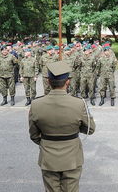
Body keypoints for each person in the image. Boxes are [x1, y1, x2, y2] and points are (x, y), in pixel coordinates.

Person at [29, 61, 95, 192]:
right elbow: (90, 129)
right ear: (67, 82)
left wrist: (47, 142)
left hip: (48, 156)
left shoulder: (36, 104)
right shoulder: (78, 103)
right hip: (72, 156)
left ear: (48, 81)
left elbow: (34, 135)